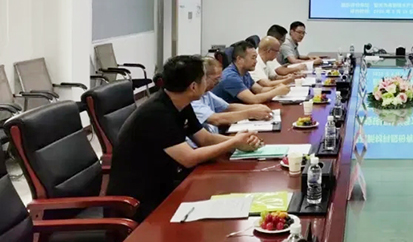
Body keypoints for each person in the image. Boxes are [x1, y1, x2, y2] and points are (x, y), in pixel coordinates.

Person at [107, 55, 263, 222]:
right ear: (193, 86)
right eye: (205, 78)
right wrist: (232, 142)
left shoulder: (181, 103)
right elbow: (189, 158)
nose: (209, 83)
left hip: (166, 182)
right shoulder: (156, 114)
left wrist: (240, 141)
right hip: (140, 201)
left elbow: (205, 139)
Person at [192, 57, 273, 133]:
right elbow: (216, 119)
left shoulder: (207, 94)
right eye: (216, 79)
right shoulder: (193, 100)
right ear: (203, 78)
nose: (219, 82)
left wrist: (256, 107)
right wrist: (251, 113)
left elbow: (228, 107)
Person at [213, 41, 290, 104]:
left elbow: (260, 90)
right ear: (240, 59)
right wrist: (276, 91)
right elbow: (253, 99)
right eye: (253, 58)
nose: (256, 61)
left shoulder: (244, 72)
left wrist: (277, 88)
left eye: (256, 58)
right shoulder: (230, 77)